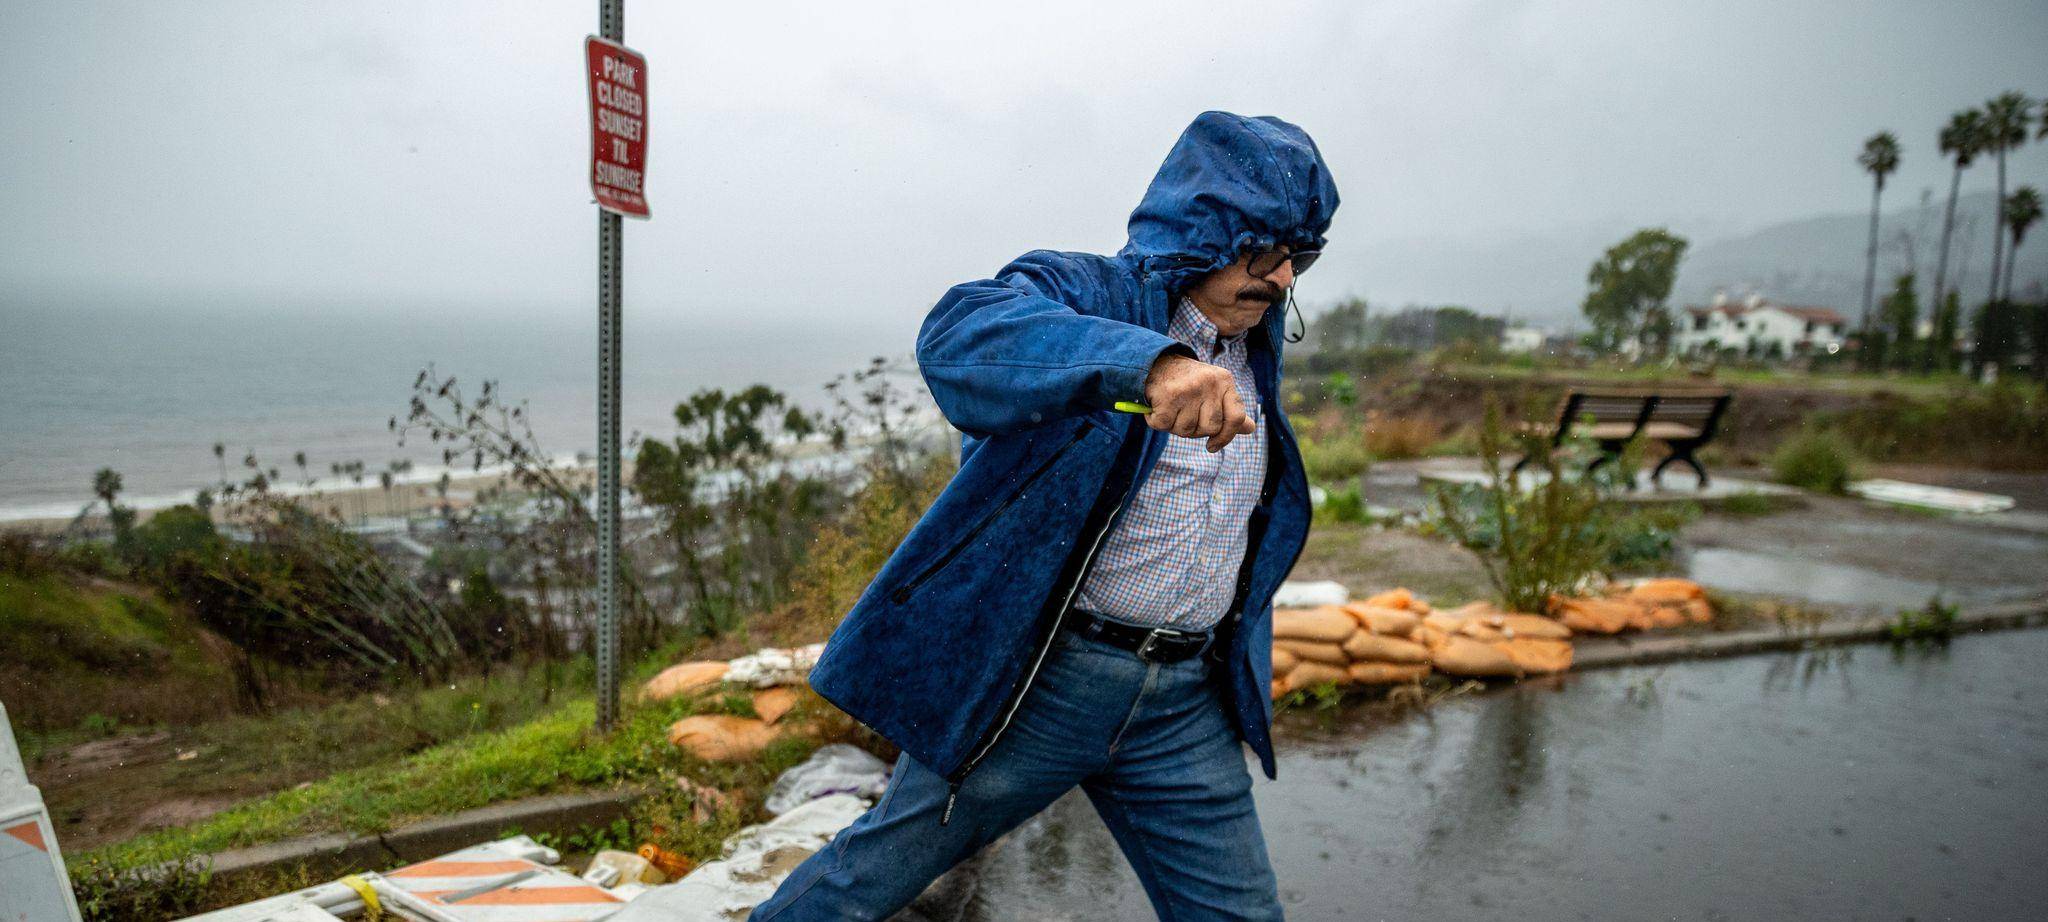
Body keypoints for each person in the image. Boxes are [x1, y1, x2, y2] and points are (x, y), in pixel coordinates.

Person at [752, 111, 1338, 921]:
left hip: (1181, 706)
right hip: (1044, 685)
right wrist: (1149, 366)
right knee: (866, 883)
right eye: (1261, 249)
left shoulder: (1254, 349)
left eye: (1300, 256)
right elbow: (960, 333)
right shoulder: (1086, 292)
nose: (1278, 278)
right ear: (1201, 231)